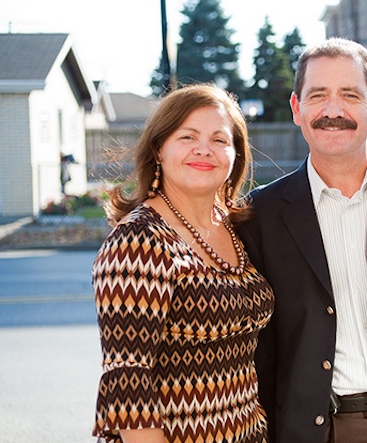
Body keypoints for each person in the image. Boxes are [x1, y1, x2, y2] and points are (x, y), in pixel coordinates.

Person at [235, 38, 367, 443]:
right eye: (318, 96)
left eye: (349, 95)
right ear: (297, 109)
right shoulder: (258, 215)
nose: (333, 110)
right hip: (306, 430)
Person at [92, 83, 274, 443]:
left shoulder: (238, 230)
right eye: (187, 136)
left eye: (220, 140)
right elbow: (129, 383)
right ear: (158, 149)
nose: (204, 149)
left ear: (236, 155)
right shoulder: (139, 241)